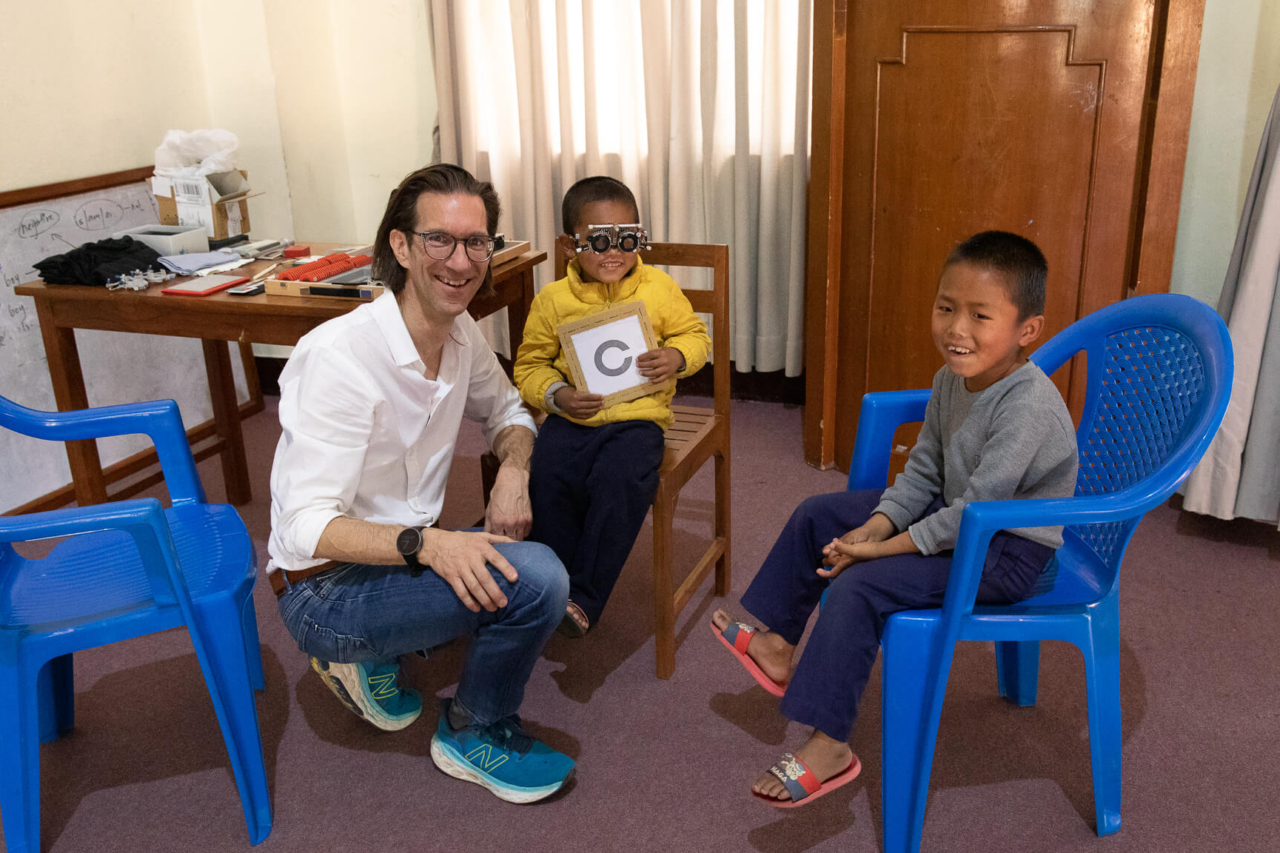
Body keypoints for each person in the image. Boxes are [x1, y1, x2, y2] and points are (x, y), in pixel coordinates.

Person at [710, 231, 1078, 807]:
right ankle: (779, 646)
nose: (957, 329)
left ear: (1026, 331)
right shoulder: (949, 381)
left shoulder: (1027, 405)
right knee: (819, 514)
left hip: (1006, 553)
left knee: (863, 582)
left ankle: (830, 744)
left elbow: (976, 513)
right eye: (946, 308)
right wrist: (878, 525)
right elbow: (924, 475)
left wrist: (876, 552)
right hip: (955, 519)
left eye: (981, 315)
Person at [267, 164, 575, 804]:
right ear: (401, 247)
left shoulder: (459, 331)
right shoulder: (339, 359)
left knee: (531, 528)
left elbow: (510, 411)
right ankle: (470, 731)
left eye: (476, 243)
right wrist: (431, 547)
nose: (460, 262)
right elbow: (303, 528)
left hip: (399, 552)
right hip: (321, 589)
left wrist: (514, 470)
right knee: (538, 577)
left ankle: (380, 651)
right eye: (439, 240)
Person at [513, 176, 711, 637]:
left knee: (620, 480)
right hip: (574, 417)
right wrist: (557, 395)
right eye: (599, 239)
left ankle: (583, 596)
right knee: (548, 475)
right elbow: (529, 367)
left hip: (639, 419)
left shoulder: (659, 287)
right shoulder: (553, 301)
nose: (614, 250)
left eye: (628, 238)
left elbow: (695, 336)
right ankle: (550, 585)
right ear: (568, 245)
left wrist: (677, 356)